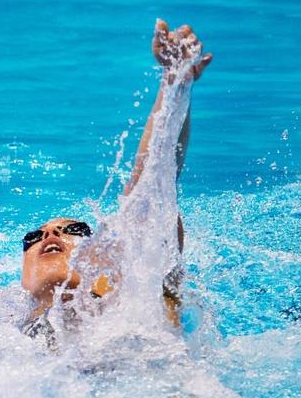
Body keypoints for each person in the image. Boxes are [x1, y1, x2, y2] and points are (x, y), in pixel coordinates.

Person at [19, 20, 213, 347]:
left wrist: (174, 85)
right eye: (33, 237)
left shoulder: (138, 302)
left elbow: (154, 179)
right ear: (21, 274)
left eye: (74, 230)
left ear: (105, 258)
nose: (51, 234)